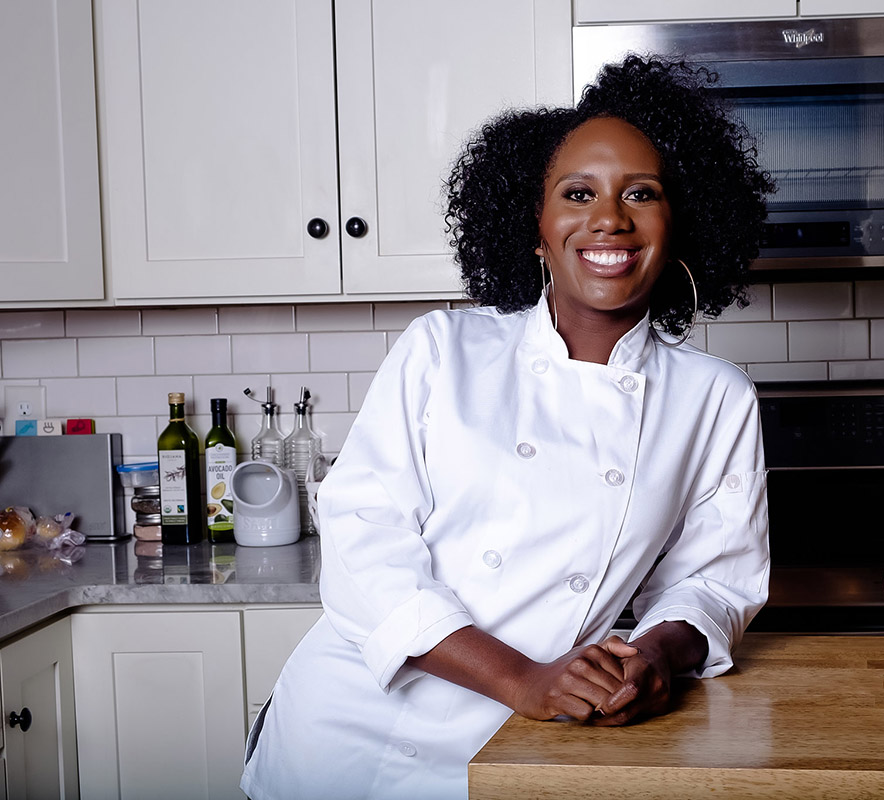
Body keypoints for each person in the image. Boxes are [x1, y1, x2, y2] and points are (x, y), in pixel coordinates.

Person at [240, 55, 774, 800]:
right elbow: (364, 546)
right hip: (353, 729)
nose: (610, 218)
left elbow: (716, 581)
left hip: (526, 741)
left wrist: (655, 655)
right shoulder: (442, 349)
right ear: (536, 227)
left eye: (641, 194)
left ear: (679, 223)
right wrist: (524, 679)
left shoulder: (716, 397)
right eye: (578, 192)